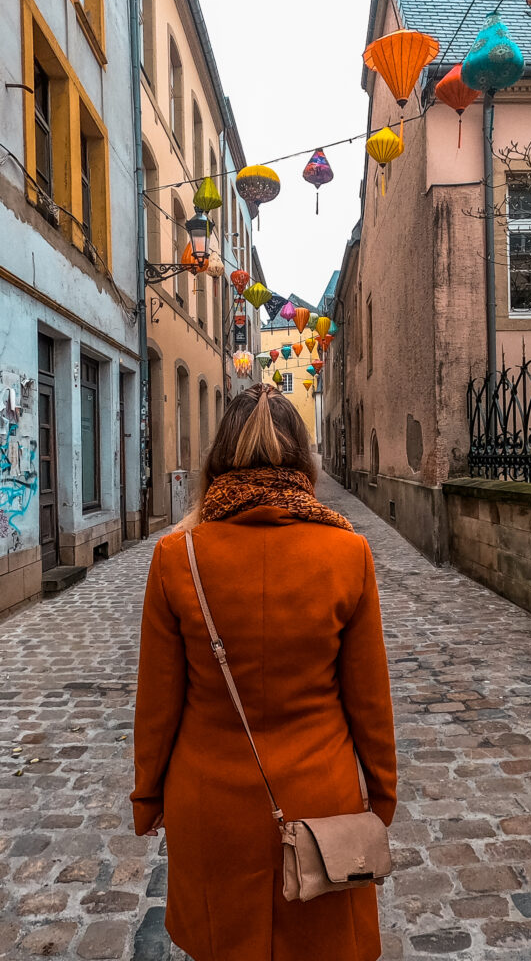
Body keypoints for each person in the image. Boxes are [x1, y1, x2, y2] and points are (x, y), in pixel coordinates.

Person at [130, 383, 397, 961]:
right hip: (320, 802)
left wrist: (147, 798)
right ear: (304, 459)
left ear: (218, 458)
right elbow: (370, 702)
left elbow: (157, 705)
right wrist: (381, 797)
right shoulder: (347, 553)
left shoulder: (178, 557)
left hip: (210, 802)